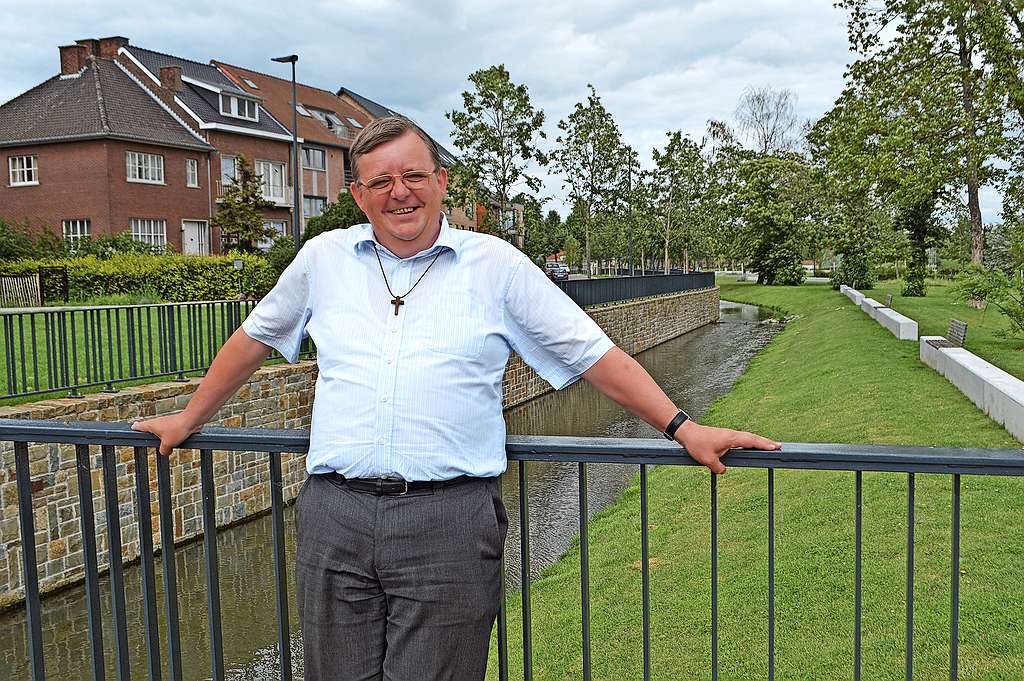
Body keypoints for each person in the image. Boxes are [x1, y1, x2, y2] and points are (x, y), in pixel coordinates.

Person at [133, 115, 780, 681]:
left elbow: (592, 352)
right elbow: (252, 339)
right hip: (335, 516)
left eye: (412, 175)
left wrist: (681, 425)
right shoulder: (321, 259)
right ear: (358, 194)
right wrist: (189, 418)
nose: (399, 192)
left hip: (448, 522)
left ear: (441, 181)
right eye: (380, 182)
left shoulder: (494, 265)